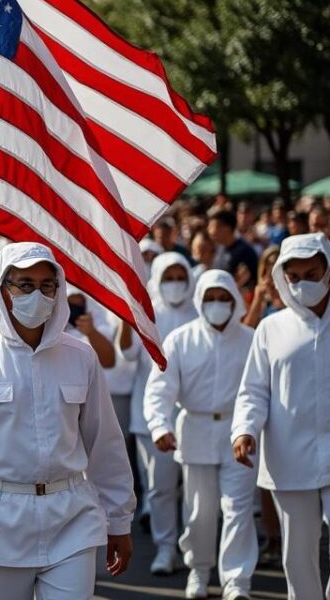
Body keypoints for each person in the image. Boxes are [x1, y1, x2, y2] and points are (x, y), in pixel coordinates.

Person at [0, 243, 135, 599]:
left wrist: (120, 519)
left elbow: (106, 444)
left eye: (46, 285)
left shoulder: (81, 356)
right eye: (24, 285)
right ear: (3, 291)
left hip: (72, 517)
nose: (37, 294)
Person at [145, 270, 256, 600]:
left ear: (235, 300)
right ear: (200, 300)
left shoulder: (251, 339)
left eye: (224, 299)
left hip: (239, 432)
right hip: (193, 430)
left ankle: (237, 581)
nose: (217, 305)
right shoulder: (180, 339)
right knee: (199, 510)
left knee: (238, 508)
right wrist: (159, 425)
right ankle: (199, 570)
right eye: (210, 298)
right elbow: (159, 389)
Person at [232, 232, 330, 600]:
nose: (305, 282)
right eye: (295, 276)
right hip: (291, 454)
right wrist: (244, 431)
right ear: (282, 278)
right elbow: (254, 389)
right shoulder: (272, 328)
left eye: (313, 272)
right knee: (298, 553)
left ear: (328, 271)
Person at [120, 251, 197, 574]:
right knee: (161, 488)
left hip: (194, 415)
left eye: (181, 278)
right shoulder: (145, 314)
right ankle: (166, 548)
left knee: (195, 490)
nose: (176, 284)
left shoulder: (201, 310)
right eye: (169, 278)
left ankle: (197, 552)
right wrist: (126, 317)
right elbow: (126, 352)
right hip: (149, 416)